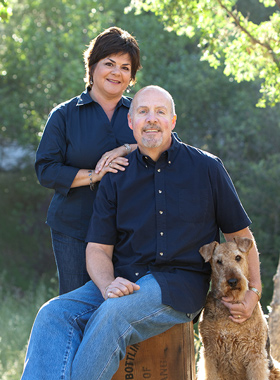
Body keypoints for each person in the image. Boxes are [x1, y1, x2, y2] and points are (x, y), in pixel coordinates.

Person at [21, 86, 262, 380]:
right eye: (143, 112)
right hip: (124, 279)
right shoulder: (116, 176)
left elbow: (241, 236)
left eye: (160, 112)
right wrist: (108, 284)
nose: (151, 119)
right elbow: (97, 249)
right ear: (131, 122)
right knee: (53, 314)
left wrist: (254, 292)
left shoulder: (207, 168)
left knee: (113, 315)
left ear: (172, 121)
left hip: (179, 286)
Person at [35, 27, 141, 294]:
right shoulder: (64, 115)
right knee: (77, 306)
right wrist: (95, 174)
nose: (117, 72)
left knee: (123, 306)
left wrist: (127, 148)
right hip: (74, 229)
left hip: (130, 233)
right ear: (92, 66)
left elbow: (167, 145)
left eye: (125, 67)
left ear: (131, 77)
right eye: (109, 64)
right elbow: (46, 170)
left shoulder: (141, 112)